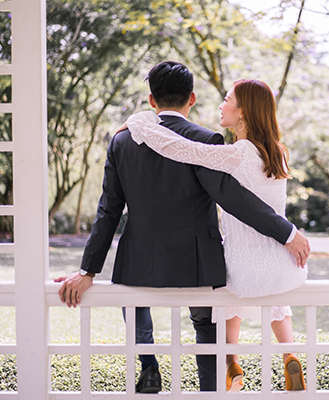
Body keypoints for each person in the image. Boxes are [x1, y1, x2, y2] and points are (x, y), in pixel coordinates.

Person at [55, 62, 310, 393]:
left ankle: (148, 366)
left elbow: (109, 211)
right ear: (191, 98)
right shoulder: (208, 140)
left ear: (151, 100)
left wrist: (87, 271)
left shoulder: (121, 142)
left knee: (134, 304)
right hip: (197, 263)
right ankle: (210, 389)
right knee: (206, 324)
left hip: (139, 261)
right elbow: (232, 198)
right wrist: (287, 233)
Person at [126, 79, 308, 392]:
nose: (221, 106)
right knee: (278, 305)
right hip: (282, 261)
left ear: (243, 113)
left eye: (227, 100)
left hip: (242, 264)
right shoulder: (279, 153)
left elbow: (180, 149)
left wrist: (139, 122)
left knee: (226, 302)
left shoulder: (235, 154)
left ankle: (231, 363)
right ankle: (289, 353)